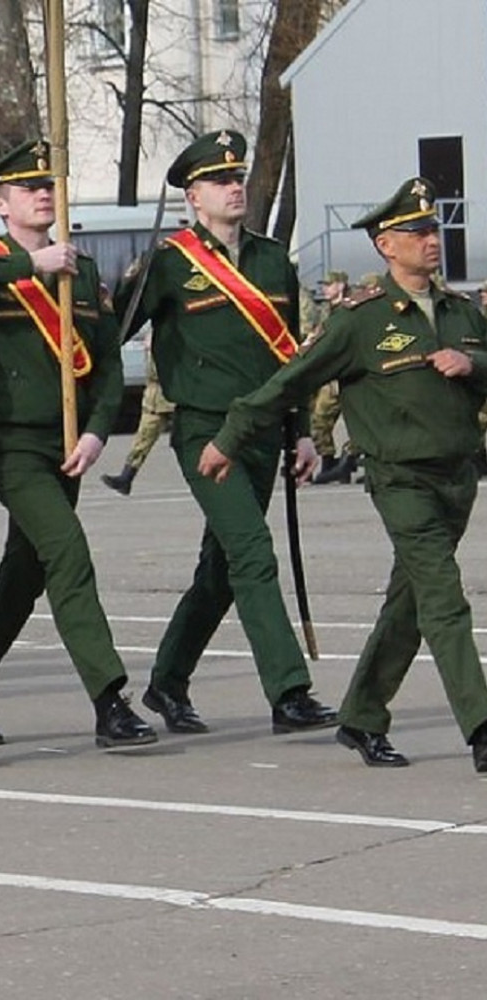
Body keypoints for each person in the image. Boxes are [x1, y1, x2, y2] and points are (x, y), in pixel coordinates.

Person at [201, 178, 487, 774]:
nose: (430, 240)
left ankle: (361, 716)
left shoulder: (462, 311)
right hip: (400, 479)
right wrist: (231, 437)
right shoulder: (360, 319)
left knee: (410, 605)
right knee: (443, 598)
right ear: (386, 245)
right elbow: (291, 381)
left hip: (457, 476)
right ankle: (482, 728)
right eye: (416, 232)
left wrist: (472, 361)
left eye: (433, 229)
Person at [115, 130, 337, 736]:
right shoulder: (169, 262)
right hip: (205, 431)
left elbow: (288, 361)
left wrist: (303, 434)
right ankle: (289, 692)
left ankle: (166, 683)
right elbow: (113, 328)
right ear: (193, 195)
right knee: (251, 553)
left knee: (221, 566)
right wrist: (122, 282)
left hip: (263, 434)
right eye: (220, 180)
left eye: (237, 177)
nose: (234, 187)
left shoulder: (271, 261)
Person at [0, 139, 155, 748]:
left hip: (68, 445)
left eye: (48, 186)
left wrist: (94, 430)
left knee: (23, 576)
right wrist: (31, 266)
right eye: (29, 189)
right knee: (68, 552)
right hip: (11, 446)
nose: (42, 195)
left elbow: (108, 365)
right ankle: (110, 699)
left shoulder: (80, 271)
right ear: (0, 204)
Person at [306, 271, 359, 484]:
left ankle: (350, 460)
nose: (325, 289)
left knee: (361, 422)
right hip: (331, 375)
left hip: (353, 373)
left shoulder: (354, 307)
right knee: (319, 419)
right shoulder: (325, 310)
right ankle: (330, 463)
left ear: (340, 285)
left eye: (329, 284)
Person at [99, 347, 173, 495]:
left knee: (189, 442)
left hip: (173, 397)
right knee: (142, 440)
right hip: (155, 399)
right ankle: (126, 477)